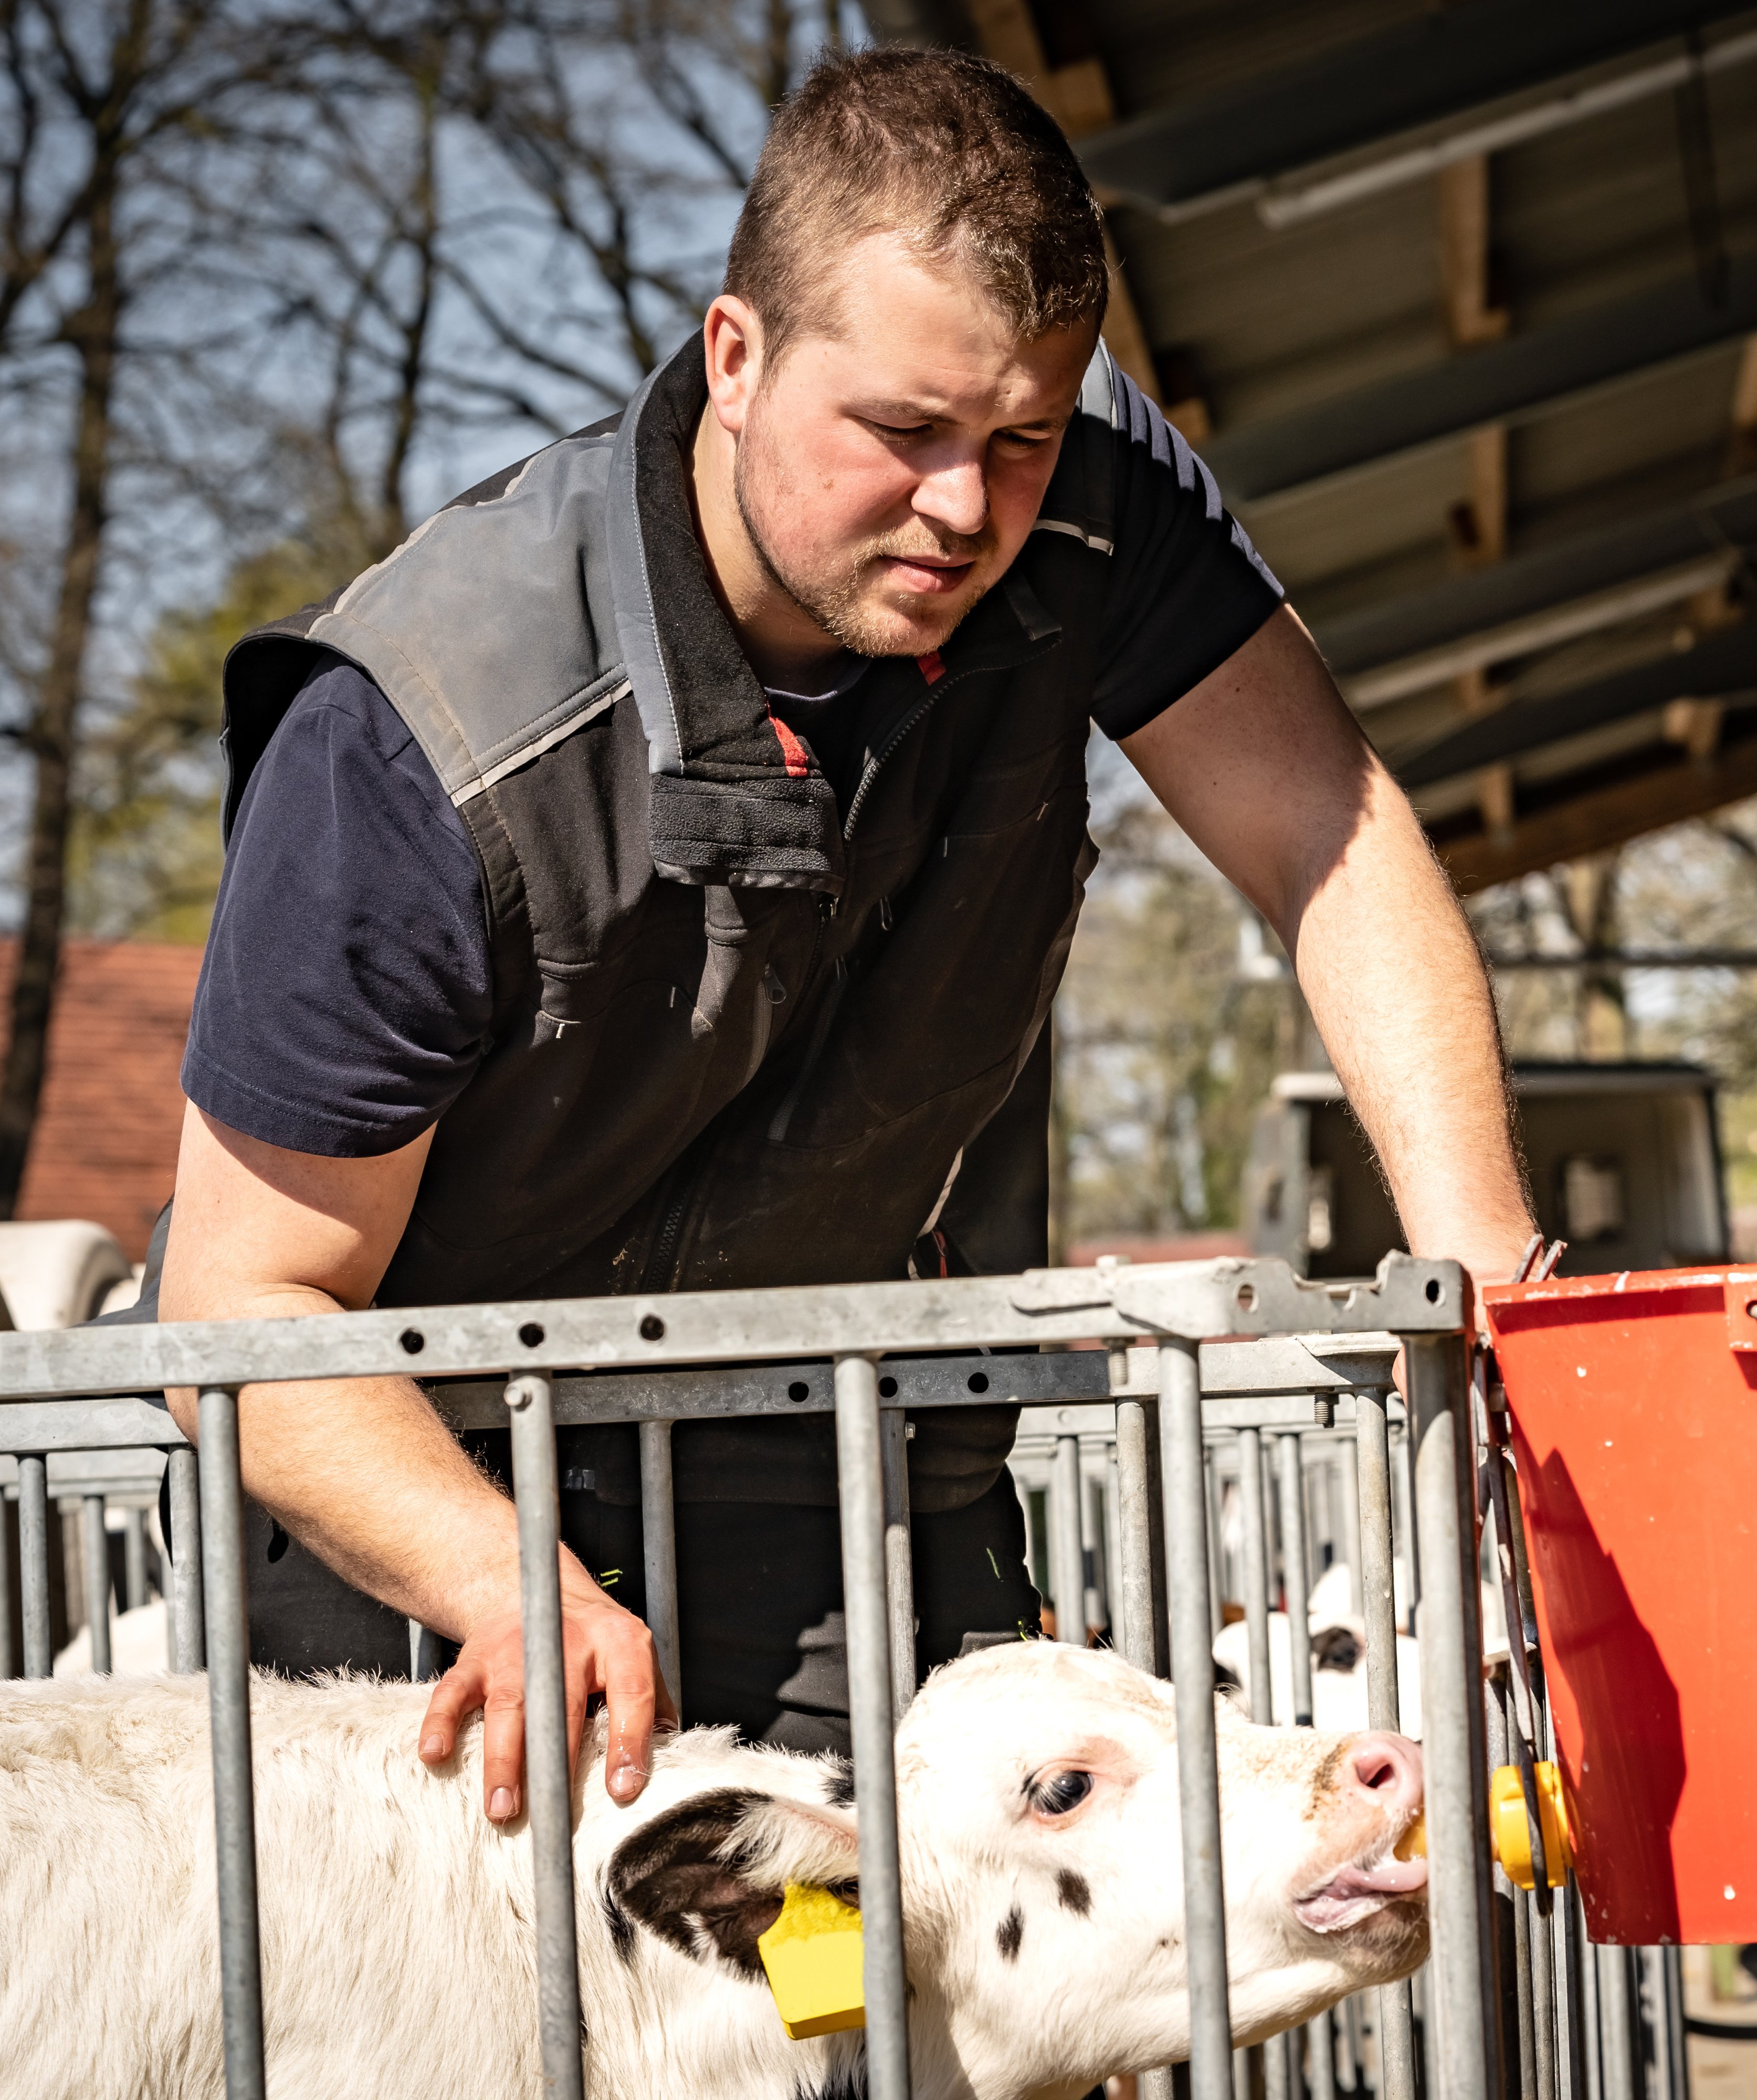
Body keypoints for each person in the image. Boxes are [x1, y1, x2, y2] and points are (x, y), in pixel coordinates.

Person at [146, 46, 1533, 1830]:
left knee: (919, 1994)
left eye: (1021, 434)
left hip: (849, 1443)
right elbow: (239, 1308)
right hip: (422, 1485)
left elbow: (1319, 826)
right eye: (903, 432)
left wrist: (1484, 1266)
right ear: (736, 357)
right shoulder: (425, 737)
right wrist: (497, 1569)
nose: (967, 505)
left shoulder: (1096, 510)